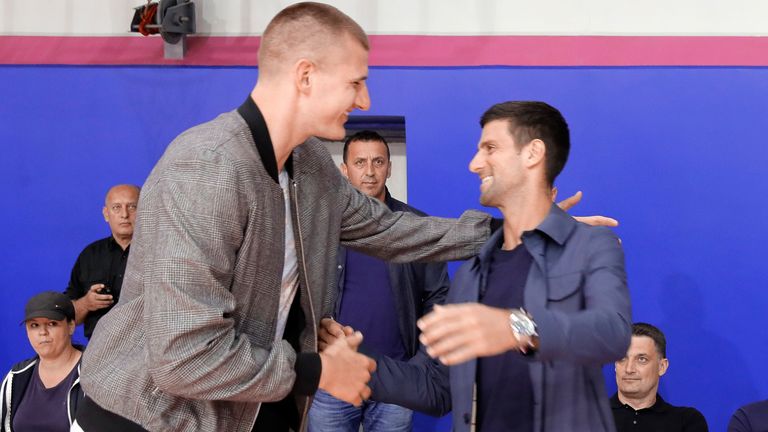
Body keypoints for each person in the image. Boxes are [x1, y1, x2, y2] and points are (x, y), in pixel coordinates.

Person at [74, 3, 501, 431]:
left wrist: (512, 227)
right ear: (305, 76)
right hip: (148, 417)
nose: (365, 99)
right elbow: (185, 356)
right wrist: (320, 370)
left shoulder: (310, 163)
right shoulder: (207, 169)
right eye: (355, 82)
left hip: (249, 407)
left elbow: (389, 227)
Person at [329, 101, 631, 431]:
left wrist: (516, 327)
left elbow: (611, 333)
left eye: (490, 148)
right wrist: (354, 362)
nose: (475, 164)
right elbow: (436, 388)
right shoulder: (473, 273)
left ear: (532, 153)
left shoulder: (589, 246)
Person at [307, 131, 450, 432]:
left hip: (398, 379)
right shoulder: (321, 226)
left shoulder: (415, 227)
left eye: (378, 161)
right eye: (360, 162)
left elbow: (438, 297)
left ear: (389, 168)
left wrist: (420, 364)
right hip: (335, 374)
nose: (369, 171)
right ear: (344, 170)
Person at [0, 291, 84, 432]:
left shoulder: (94, 374)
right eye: (34, 325)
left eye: (52, 323)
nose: (42, 332)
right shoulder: (16, 376)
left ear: (71, 326)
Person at [65, 184, 140, 339]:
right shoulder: (90, 255)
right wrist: (86, 303)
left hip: (147, 353)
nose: (124, 214)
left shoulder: (160, 251)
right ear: (106, 214)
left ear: (145, 211)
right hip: (99, 352)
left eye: (132, 207)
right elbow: (67, 317)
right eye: (116, 207)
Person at [612, 323, 708, 431]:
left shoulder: (687, 421)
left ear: (662, 367)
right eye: (622, 358)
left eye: (642, 359)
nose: (629, 369)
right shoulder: (591, 417)